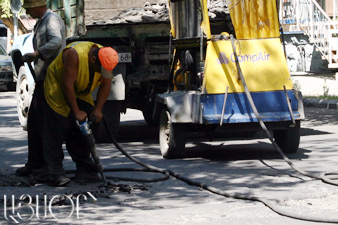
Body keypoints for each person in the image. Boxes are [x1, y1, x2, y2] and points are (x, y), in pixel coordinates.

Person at [42, 41, 118, 186]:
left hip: (81, 91)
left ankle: (84, 170)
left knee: (85, 128)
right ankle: (55, 173)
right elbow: (67, 86)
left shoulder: (106, 57)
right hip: (58, 89)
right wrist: (76, 111)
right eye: (99, 69)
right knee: (56, 131)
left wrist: (98, 109)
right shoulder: (74, 54)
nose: (100, 73)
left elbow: (106, 84)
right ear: (93, 59)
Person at [16, 0, 66, 176]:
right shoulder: (41, 22)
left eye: (29, 9)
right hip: (43, 78)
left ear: (38, 6)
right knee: (35, 122)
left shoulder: (51, 20)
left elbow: (56, 42)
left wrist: (37, 53)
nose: (28, 13)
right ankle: (36, 163)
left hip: (52, 79)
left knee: (46, 124)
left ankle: (49, 166)